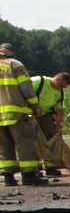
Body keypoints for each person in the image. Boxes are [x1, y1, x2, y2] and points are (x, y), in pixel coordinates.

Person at [0, 43, 46, 186]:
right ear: (10, 53)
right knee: (25, 143)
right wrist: (35, 106)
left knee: (4, 147)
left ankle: (8, 178)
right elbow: (26, 88)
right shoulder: (15, 64)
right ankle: (28, 175)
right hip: (17, 114)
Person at [29, 71, 70, 175]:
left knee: (52, 137)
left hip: (46, 114)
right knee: (32, 140)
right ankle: (33, 168)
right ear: (57, 79)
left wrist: (59, 120)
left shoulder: (59, 92)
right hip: (31, 113)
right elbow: (23, 93)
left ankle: (50, 167)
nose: (61, 89)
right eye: (61, 86)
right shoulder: (39, 81)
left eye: (63, 88)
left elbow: (59, 107)